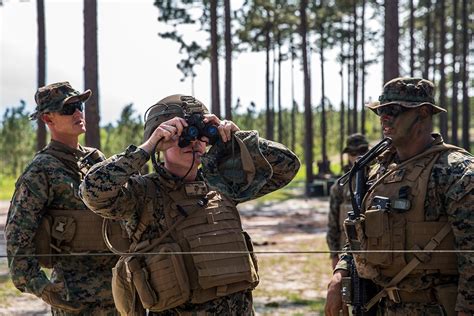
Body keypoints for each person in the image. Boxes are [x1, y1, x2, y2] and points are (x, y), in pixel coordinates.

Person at [79, 94, 300, 315]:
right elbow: (92, 191)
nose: (193, 142)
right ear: (161, 141)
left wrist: (240, 140)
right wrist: (146, 148)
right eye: (181, 135)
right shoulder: (142, 193)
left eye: (201, 135)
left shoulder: (223, 184)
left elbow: (287, 166)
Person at [325, 77, 473, 316]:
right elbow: (358, 234)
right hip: (381, 305)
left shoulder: (456, 172)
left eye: (394, 110)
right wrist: (340, 274)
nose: (384, 117)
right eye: (381, 111)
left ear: (423, 113)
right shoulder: (378, 170)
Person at [5, 82, 124, 315]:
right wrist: (45, 289)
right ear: (48, 119)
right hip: (74, 300)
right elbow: (17, 239)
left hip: (116, 291)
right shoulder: (41, 170)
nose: (79, 113)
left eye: (79, 106)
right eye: (68, 109)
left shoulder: (95, 160)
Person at [326, 133, 369, 269]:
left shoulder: (380, 178)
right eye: (352, 152)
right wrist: (334, 254)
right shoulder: (341, 185)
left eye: (361, 151)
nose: (357, 156)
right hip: (348, 251)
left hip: (375, 249)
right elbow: (333, 221)